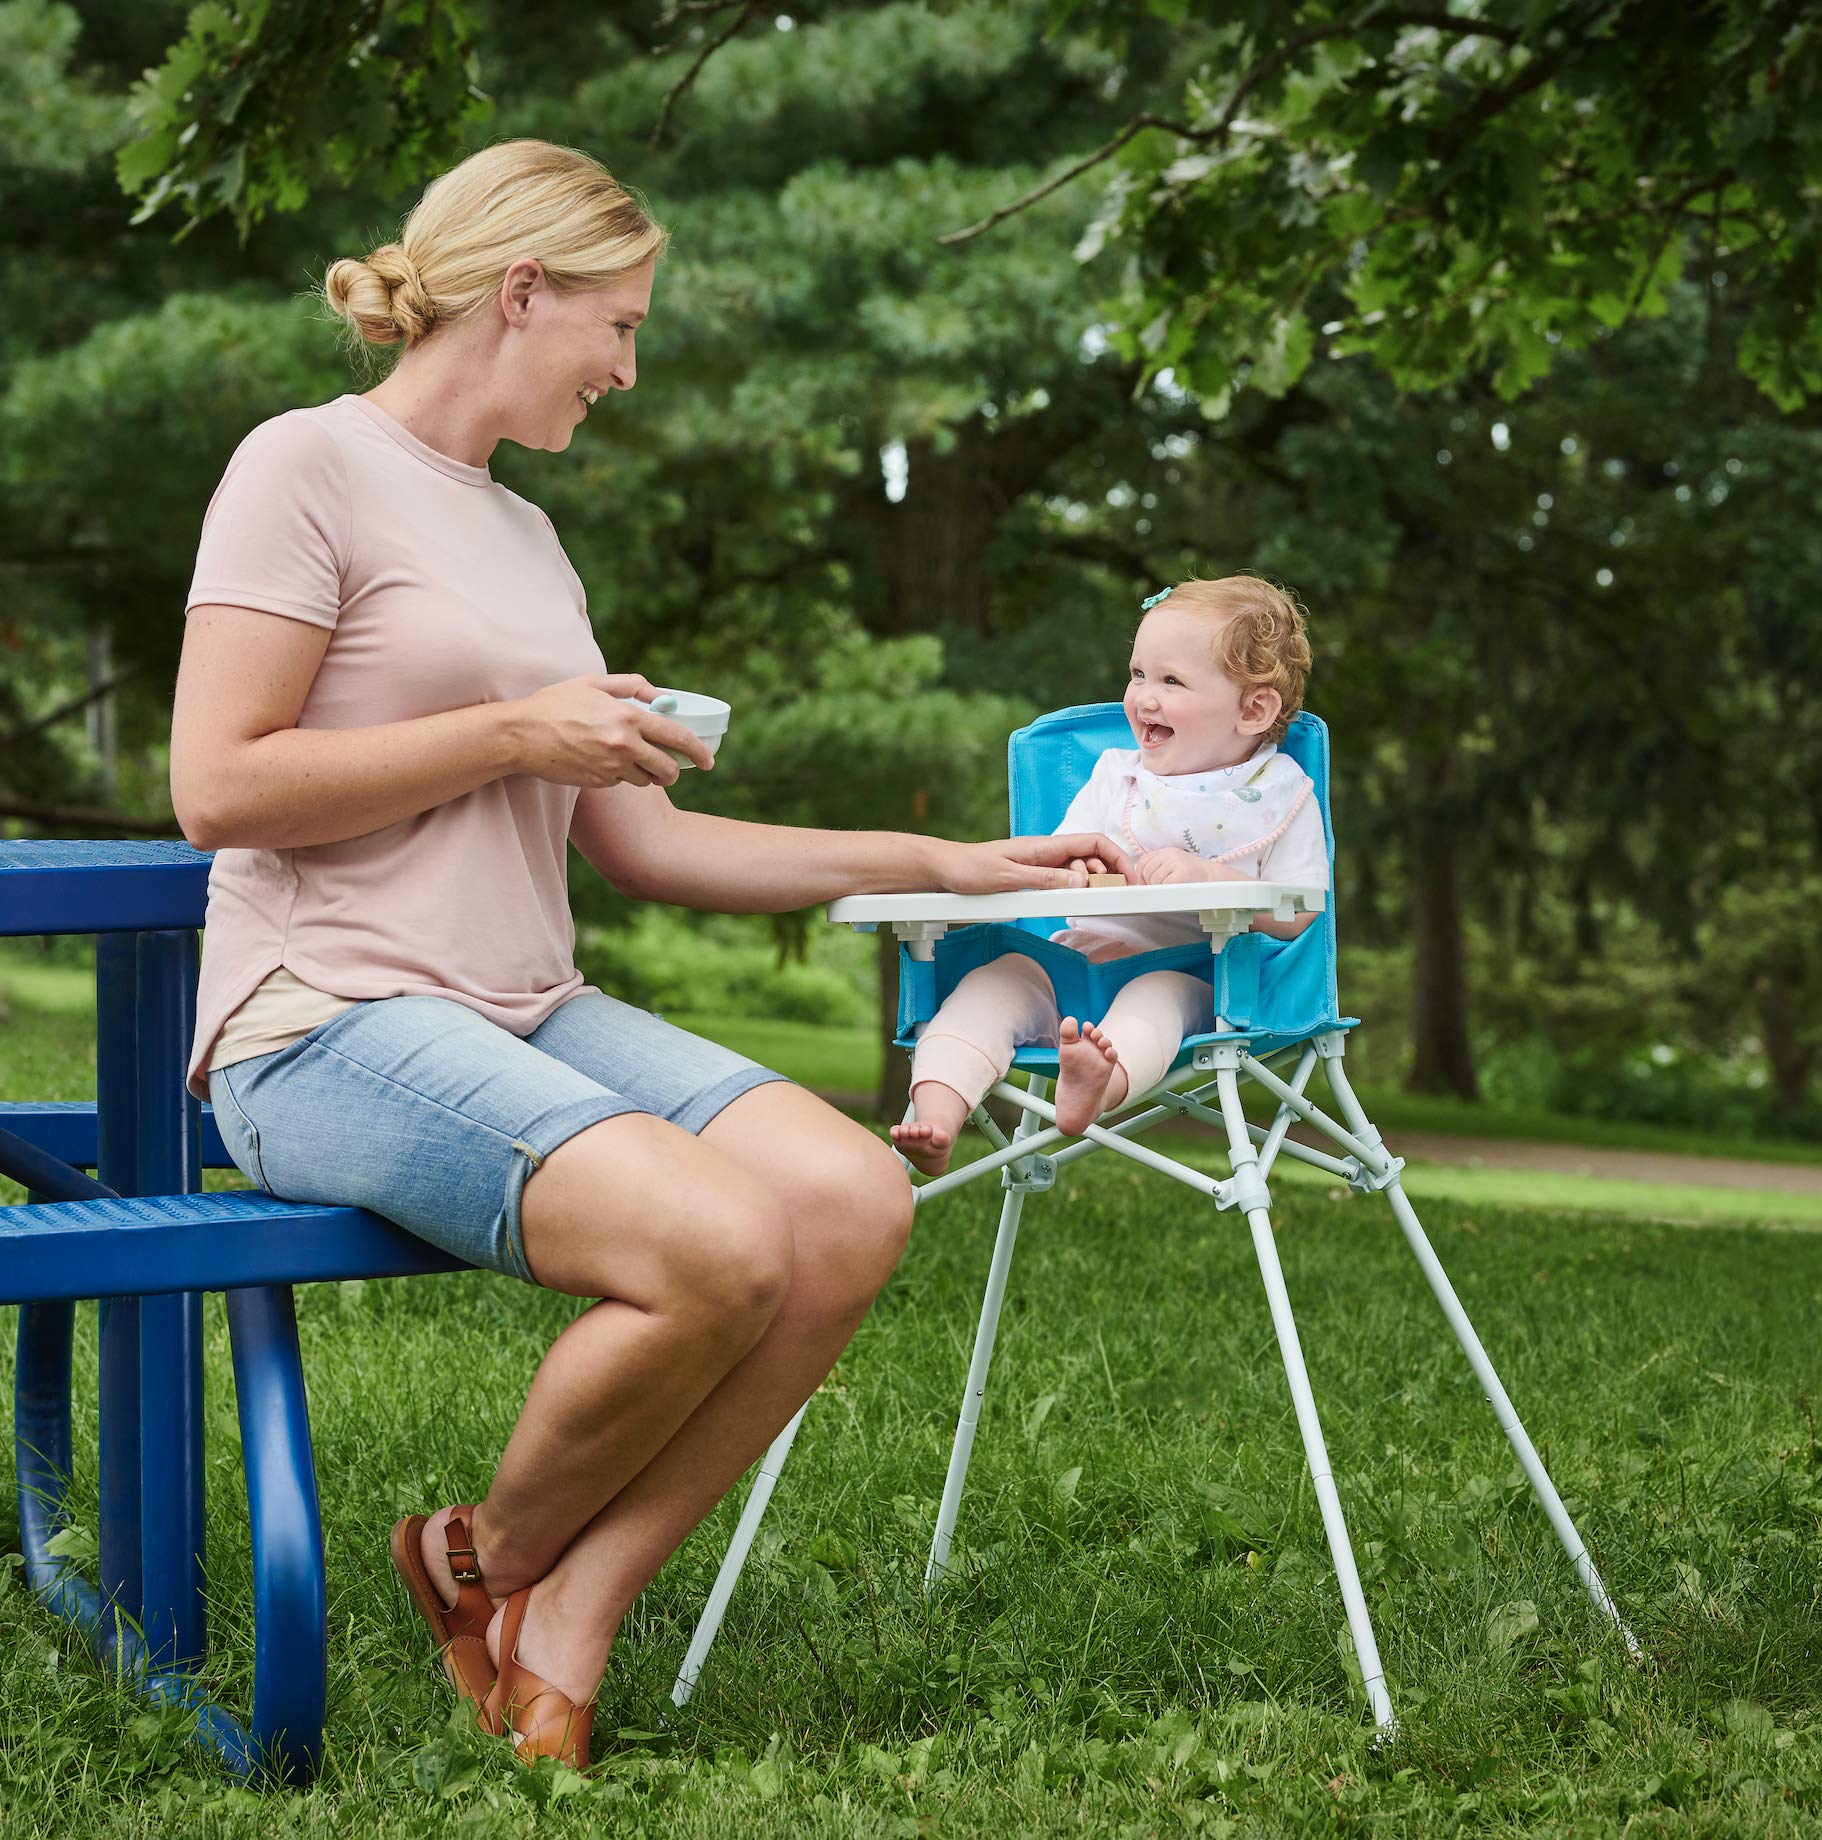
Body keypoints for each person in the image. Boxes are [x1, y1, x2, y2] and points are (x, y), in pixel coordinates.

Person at [167, 138, 1130, 1769]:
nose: (626, 366)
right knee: (715, 1246)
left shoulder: (532, 545)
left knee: (846, 1201)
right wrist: (507, 729)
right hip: (316, 1019)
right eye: (614, 324)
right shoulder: (301, 468)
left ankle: (568, 1604)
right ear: (520, 288)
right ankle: (478, 1560)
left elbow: (645, 844)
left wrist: (950, 863)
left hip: (527, 1007)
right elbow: (217, 786)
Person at [890, 575, 1327, 1177]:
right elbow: (1054, 859)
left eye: (1171, 681)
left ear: (1254, 709)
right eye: (1138, 674)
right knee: (989, 986)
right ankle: (936, 1115)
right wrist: (1077, 864)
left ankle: (1096, 1088)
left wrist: (1206, 877)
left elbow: (1301, 911)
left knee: (1154, 1004)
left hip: (1195, 973)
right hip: (1073, 958)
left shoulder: (1279, 796)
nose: (1143, 697)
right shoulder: (1115, 777)